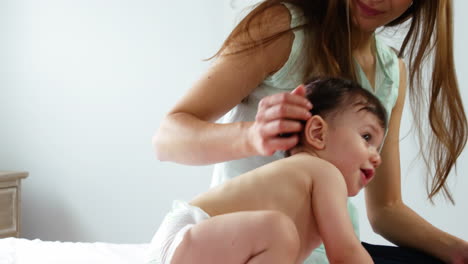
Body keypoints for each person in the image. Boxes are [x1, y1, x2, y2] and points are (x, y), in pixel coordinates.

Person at [153, 1, 468, 263]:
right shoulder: (283, 28)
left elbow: (386, 209)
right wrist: (251, 136)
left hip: (323, 251)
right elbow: (166, 139)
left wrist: (457, 251)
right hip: (239, 248)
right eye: (366, 139)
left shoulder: (391, 73)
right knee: (282, 232)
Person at [147, 77, 387, 264]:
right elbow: (346, 254)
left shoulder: (301, 183)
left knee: (281, 235)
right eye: (366, 137)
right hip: (188, 236)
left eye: (378, 147)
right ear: (317, 133)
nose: (376, 158)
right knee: (279, 230)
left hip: (197, 245)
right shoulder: (323, 171)